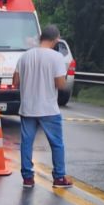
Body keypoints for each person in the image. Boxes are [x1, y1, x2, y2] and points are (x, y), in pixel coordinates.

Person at [12, 24, 72, 189]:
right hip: (48, 109)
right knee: (56, 143)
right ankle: (59, 178)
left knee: (26, 143)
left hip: (28, 107)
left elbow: (15, 82)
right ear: (56, 40)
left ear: (41, 38)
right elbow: (60, 84)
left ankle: (27, 178)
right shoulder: (56, 57)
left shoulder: (25, 56)